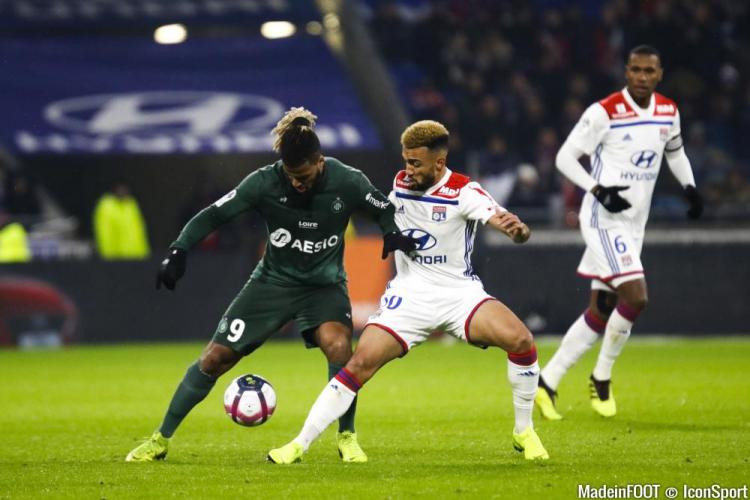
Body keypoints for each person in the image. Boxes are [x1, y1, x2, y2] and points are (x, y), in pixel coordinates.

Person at [125, 107, 417, 462]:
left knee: (339, 349)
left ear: (319, 161)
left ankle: (347, 436)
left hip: (323, 287)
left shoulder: (348, 180)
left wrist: (391, 233)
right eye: (292, 176)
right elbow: (214, 214)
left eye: (304, 176)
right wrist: (178, 250)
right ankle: (160, 439)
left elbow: (383, 208)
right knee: (214, 358)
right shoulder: (263, 182)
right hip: (272, 284)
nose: (298, 183)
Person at [267, 119, 550, 464]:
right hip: (410, 296)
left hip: (459, 294)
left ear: (439, 163)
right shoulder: (401, 183)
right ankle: (299, 444)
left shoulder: (464, 191)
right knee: (358, 364)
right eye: (405, 161)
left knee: (521, 341)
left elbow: (498, 217)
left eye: (415, 163)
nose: (407, 169)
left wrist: (516, 231)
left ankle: (524, 431)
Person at [535, 45, 703, 420]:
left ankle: (547, 381)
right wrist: (597, 190)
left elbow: (674, 153)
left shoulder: (668, 112)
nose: (642, 77)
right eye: (635, 70)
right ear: (626, 72)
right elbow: (564, 157)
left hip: (634, 222)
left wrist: (690, 187)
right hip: (602, 218)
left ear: (660, 74)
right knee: (636, 296)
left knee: (603, 307)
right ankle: (602, 376)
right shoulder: (604, 112)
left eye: (649, 71)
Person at [93, 181, 151, 260]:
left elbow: (138, 230)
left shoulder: (131, 204)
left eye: (125, 189)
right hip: (117, 257)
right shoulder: (106, 206)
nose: (122, 191)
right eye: (120, 189)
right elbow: (104, 232)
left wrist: (143, 252)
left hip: (136, 255)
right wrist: (108, 255)